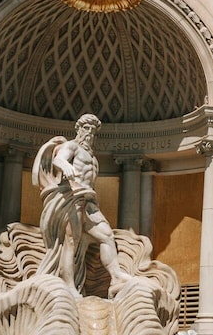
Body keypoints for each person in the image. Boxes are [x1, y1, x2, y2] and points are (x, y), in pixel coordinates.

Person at [34, 114, 138, 293]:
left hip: (88, 201)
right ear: (79, 129)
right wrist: (64, 165)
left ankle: (116, 276)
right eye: (86, 128)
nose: (89, 132)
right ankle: (68, 286)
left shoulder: (93, 158)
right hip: (72, 199)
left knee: (106, 236)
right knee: (71, 242)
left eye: (92, 130)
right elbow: (58, 159)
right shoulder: (72, 146)